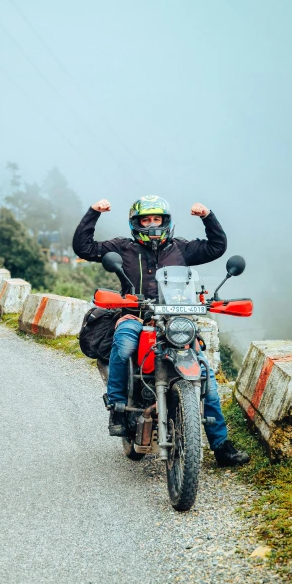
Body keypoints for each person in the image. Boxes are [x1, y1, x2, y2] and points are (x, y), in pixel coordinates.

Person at [72, 195, 249, 468]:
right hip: (136, 316)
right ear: (137, 222)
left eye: (157, 219)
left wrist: (207, 216)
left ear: (165, 222)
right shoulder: (122, 248)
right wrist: (93, 212)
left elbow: (216, 247)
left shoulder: (182, 249)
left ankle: (221, 445)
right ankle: (118, 409)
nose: (152, 224)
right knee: (124, 345)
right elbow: (83, 247)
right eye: (146, 219)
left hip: (175, 320)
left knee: (205, 373)